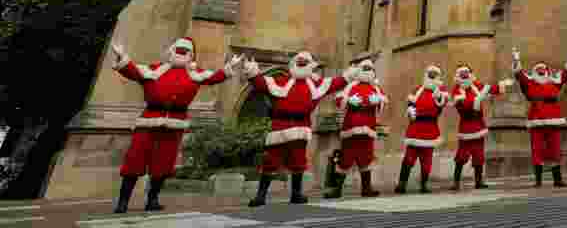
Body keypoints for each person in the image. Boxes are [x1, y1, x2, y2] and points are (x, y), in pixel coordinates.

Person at [110, 37, 240, 213]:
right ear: (171, 51)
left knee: (163, 164)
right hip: (149, 120)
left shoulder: (195, 74)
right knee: (134, 160)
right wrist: (123, 56)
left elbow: (214, 77)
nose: (181, 53)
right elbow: (132, 71)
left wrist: (229, 67)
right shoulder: (155, 70)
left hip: (175, 124)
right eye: (178, 50)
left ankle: (152, 200)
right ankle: (123, 202)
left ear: (191, 55)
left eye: (185, 51)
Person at [243, 51, 352, 206]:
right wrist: (253, 72)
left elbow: (334, 84)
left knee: (299, 162)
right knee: (270, 161)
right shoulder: (281, 81)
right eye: (299, 62)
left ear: (311, 66)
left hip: (301, 128)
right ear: (292, 64)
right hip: (280, 127)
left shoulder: (316, 84)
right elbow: (262, 84)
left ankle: (296, 194)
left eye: (305, 62)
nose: (301, 64)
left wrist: (348, 76)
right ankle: (261, 196)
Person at [513, 47, 567, 188]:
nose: (541, 71)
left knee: (555, 148)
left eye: (543, 69)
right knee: (537, 150)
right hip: (536, 120)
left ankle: (557, 179)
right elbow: (519, 75)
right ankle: (538, 180)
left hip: (553, 120)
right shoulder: (530, 83)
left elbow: (565, 76)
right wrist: (516, 59)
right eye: (538, 69)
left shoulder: (554, 82)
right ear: (534, 72)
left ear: (547, 72)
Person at [327, 58, 386, 199]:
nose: (367, 71)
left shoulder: (376, 88)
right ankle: (337, 189)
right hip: (351, 128)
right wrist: (348, 101)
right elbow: (338, 99)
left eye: (369, 69)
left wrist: (378, 101)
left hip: (368, 128)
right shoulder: (350, 86)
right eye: (364, 68)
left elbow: (384, 100)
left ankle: (366, 188)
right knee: (345, 158)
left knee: (367, 158)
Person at [448, 64, 514, 191]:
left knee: (479, 156)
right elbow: (463, 106)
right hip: (466, 126)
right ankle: (456, 182)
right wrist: (478, 99)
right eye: (462, 74)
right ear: (458, 76)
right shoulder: (457, 90)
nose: (465, 76)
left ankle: (478, 181)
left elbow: (490, 89)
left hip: (478, 125)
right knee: (461, 156)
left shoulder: (476, 86)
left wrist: (502, 84)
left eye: (466, 73)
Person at [396, 65, 450, 194]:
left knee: (427, 160)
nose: (431, 77)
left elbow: (442, 103)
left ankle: (424, 184)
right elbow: (410, 104)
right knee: (408, 158)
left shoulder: (440, 90)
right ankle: (402, 184)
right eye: (429, 74)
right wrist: (410, 111)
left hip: (430, 128)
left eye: (434, 74)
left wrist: (438, 96)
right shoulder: (417, 89)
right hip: (415, 128)